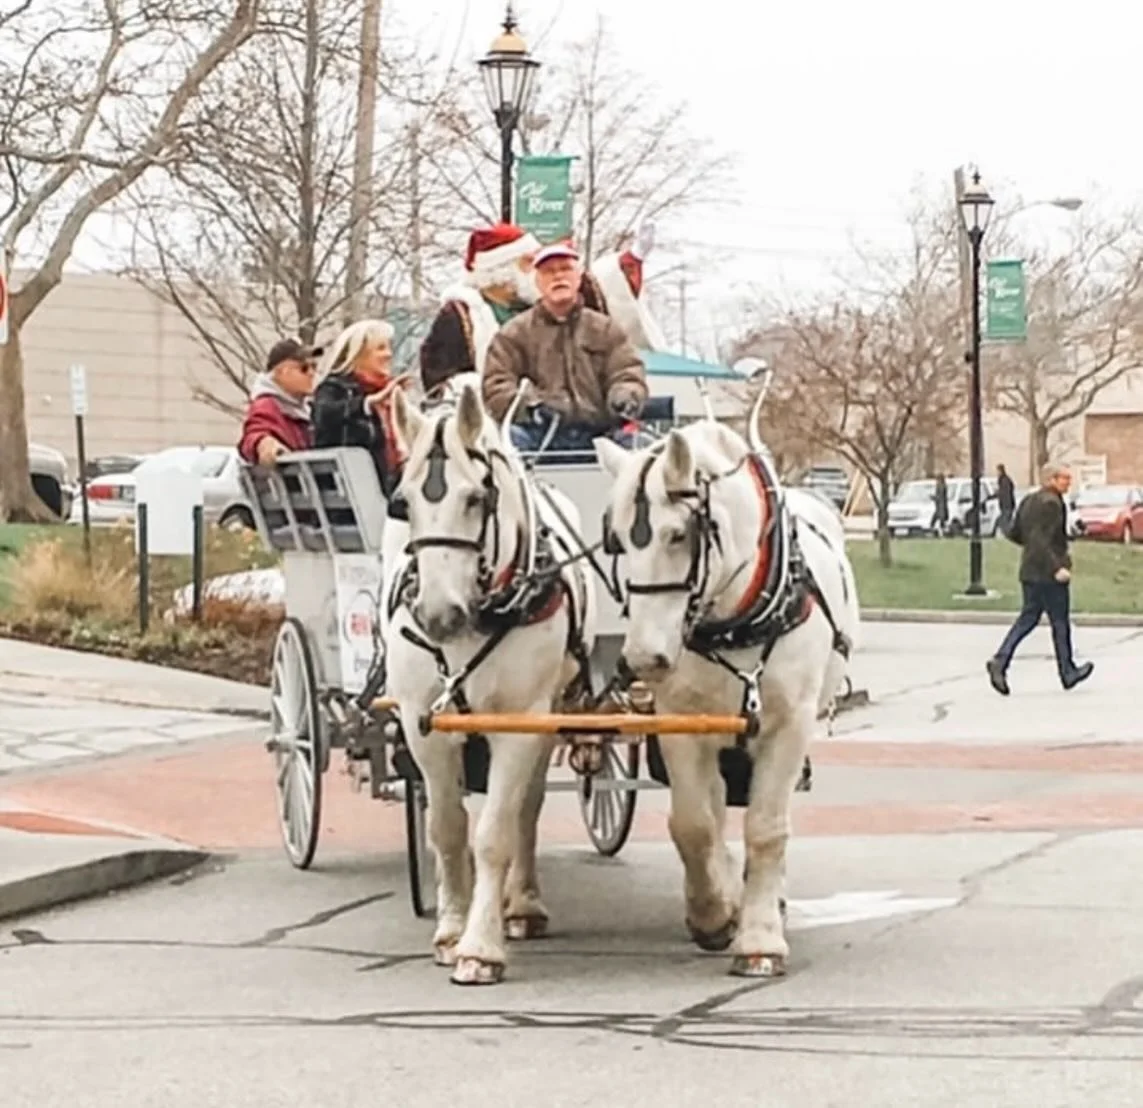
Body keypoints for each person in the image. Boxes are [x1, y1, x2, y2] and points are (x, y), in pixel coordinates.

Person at [418, 221, 660, 399]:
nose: (536, 270)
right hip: (501, 430)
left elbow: (590, 288)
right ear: (500, 270)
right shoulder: (460, 316)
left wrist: (633, 259)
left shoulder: (546, 301)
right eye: (527, 262)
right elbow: (438, 380)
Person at [481, 240, 650, 456]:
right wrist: (531, 407)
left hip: (602, 434)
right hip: (536, 434)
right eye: (549, 272)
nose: (558, 276)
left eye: (565, 269)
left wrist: (625, 395)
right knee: (502, 449)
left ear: (578, 278)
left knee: (644, 448)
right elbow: (496, 385)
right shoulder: (513, 334)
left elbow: (628, 372)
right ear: (537, 282)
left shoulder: (606, 329)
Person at [985, 461, 1094, 695]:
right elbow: (1040, 539)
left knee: (1029, 617)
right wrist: (1057, 566)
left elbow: (1016, 533)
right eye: (1064, 478)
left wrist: (1033, 552)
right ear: (1051, 480)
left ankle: (1001, 661)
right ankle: (1067, 671)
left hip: (1030, 570)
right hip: (1048, 574)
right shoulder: (1051, 503)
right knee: (1059, 622)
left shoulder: (1029, 500)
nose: (1069, 482)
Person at [311, 319, 409, 514]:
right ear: (357, 355)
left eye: (388, 348)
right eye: (380, 348)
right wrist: (367, 404)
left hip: (389, 494)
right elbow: (323, 414)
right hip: (351, 502)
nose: (389, 354)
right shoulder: (334, 388)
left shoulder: (390, 394)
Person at [238, 338, 319, 466]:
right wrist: (264, 444)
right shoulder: (267, 404)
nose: (312, 373)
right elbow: (254, 433)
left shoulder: (307, 409)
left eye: (314, 367)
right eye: (304, 368)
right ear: (281, 371)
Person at [996, 463, 1016, 533]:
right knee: (1005, 521)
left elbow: (1005, 494)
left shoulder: (1004, 481)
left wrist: (1005, 504)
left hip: (1007, 505)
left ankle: (1007, 533)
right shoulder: (1003, 480)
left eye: (998, 471)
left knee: (1005, 522)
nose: (997, 473)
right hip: (1006, 505)